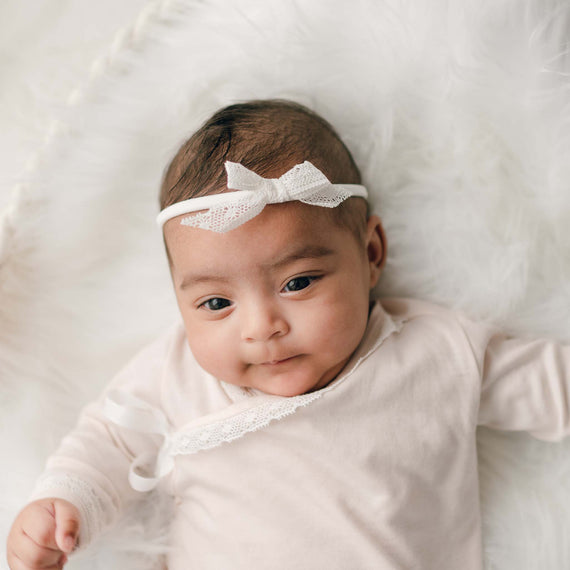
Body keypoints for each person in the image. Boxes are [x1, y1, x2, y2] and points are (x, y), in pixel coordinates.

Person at [6, 99, 570, 570]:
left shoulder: (436, 351)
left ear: (371, 254)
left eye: (298, 282)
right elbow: (108, 439)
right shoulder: (174, 368)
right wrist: (64, 502)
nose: (262, 328)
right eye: (217, 302)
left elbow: (552, 385)